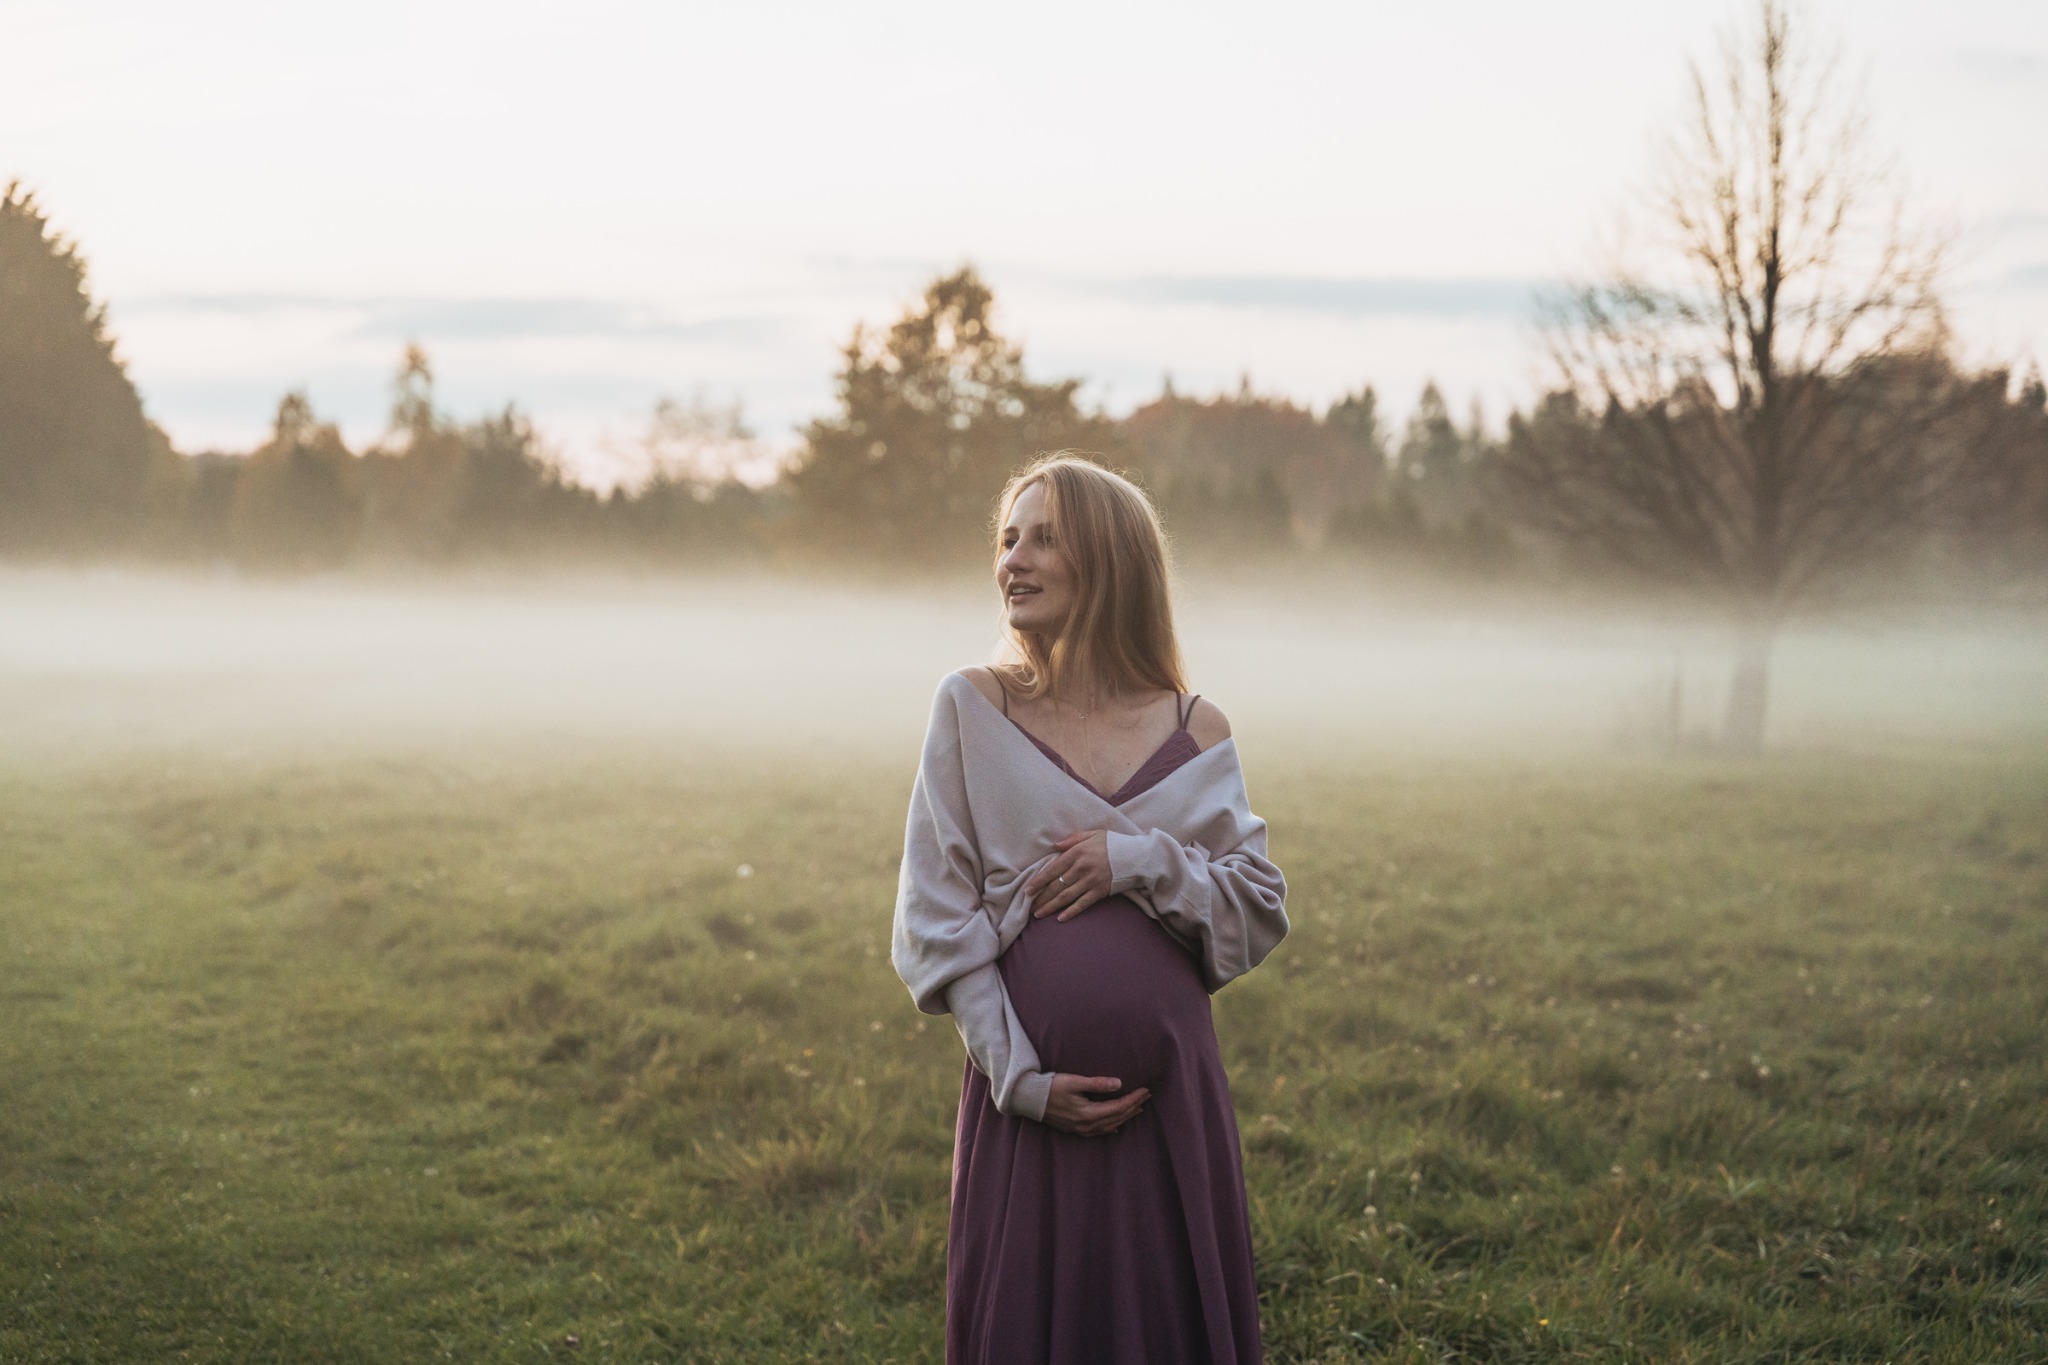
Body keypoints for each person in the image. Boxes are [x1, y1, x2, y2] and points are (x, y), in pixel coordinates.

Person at [891, 452, 1290, 1364]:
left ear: (1108, 561)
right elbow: (934, 922)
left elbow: (1255, 908)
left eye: (1045, 539)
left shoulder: (1195, 727)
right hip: (1028, 1113)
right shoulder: (972, 708)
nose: (1012, 561)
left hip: (1168, 1110)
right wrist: (1021, 1079)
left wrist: (1138, 861)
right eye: (1007, 538)